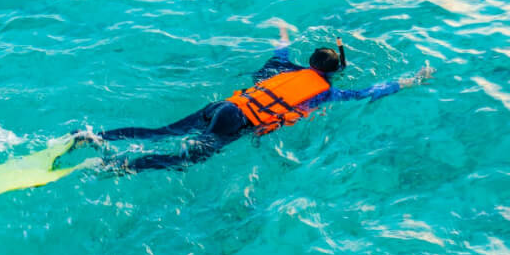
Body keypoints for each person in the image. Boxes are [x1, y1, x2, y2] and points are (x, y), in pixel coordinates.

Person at [73, 23, 433, 174]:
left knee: (161, 130)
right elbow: (372, 91)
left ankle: (98, 137)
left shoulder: (284, 69)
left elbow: (279, 53)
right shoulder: (327, 92)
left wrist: (283, 33)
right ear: (333, 71)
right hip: (238, 123)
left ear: (309, 62)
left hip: (225, 107)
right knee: (185, 161)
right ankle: (118, 168)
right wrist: (413, 81)